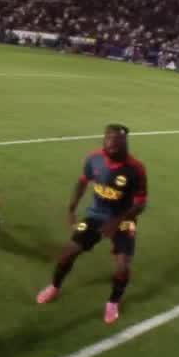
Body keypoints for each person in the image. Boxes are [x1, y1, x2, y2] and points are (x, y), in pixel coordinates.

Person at [36, 124, 148, 325]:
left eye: (118, 145)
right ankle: (54, 286)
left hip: (125, 219)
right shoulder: (94, 158)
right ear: (104, 142)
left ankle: (113, 301)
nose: (112, 148)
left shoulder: (136, 169)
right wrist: (71, 208)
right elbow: (82, 181)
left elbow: (140, 204)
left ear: (125, 144)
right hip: (96, 215)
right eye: (109, 144)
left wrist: (117, 221)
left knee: (122, 267)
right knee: (68, 252)